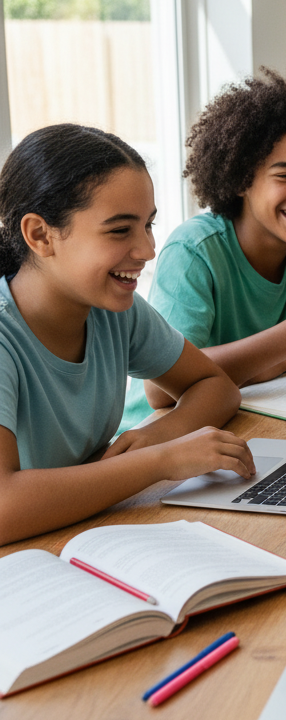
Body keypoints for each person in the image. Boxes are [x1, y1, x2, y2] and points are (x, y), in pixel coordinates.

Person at [0, 124, 254, 545]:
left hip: (82, 530)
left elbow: (215, 386)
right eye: (120, 230)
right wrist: (160, 461)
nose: (147, 250)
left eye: (148, 225)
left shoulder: (113, 308)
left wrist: (156, 436)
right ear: (40, 235)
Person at [121, 67, 286, 432]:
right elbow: (160, 389)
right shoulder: (195, 250)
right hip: (157, 439)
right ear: (241, 181)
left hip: (242, 421)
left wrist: (278, 361)